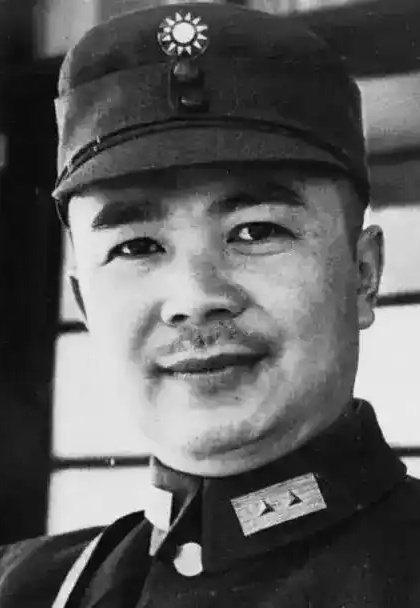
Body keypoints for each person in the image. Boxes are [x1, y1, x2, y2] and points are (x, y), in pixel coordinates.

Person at [1, 2, 420, 606]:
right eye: (135, 246)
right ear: (85, 305)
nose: (195, 299)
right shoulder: (29, 588)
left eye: (256, 232)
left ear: (363, 275)